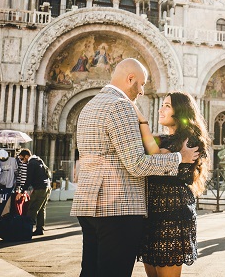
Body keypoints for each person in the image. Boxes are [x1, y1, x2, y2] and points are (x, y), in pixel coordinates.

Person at [71, 58, 199, 277]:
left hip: (89, 204)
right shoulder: (120, 106)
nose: (141, 92)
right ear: (130, 79)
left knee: (91, 271)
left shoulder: (91, 105)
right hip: (117, 208)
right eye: (141, 84)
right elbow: (137, 164)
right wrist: (179, 158)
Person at [136, 91, 209, 277]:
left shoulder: (190, 139)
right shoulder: (162, 138)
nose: (161, 109)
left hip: (173, 216)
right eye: (162, 105)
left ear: (181, 111)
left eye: (167, 106)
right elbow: (150, 161)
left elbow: (155, 157)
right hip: (150, 215)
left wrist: (143, 123)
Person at [16, 148, 51, 235]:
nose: (22, 161)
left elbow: (28, 179)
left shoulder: (31, 163)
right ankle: (40, 229)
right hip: (47, 187)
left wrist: (22, 191)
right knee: (41, 209)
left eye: (22, 158)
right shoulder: (39, 160)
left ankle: (27, 230)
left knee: (32, 208)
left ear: (27, 156)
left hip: (40, 188)